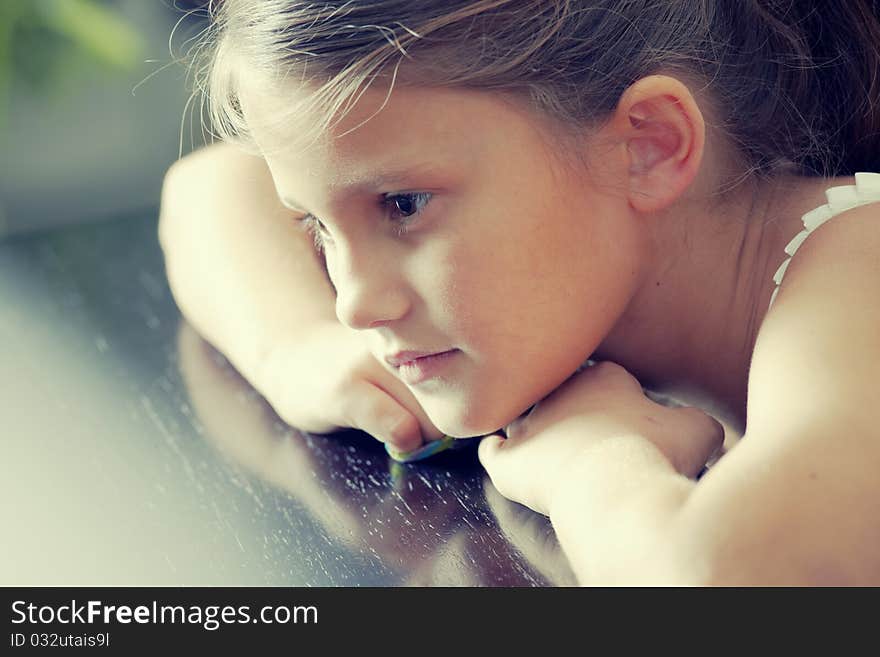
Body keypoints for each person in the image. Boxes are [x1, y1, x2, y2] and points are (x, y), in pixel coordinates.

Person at [159, 0, 880, 584]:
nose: (357, 304)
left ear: (648, 145)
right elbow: (209, 187)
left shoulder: (859, 257)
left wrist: (593, 460)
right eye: (314, 223)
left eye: (403, 205)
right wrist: (305, 351)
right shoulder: (563, 274)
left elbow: (733, 580)